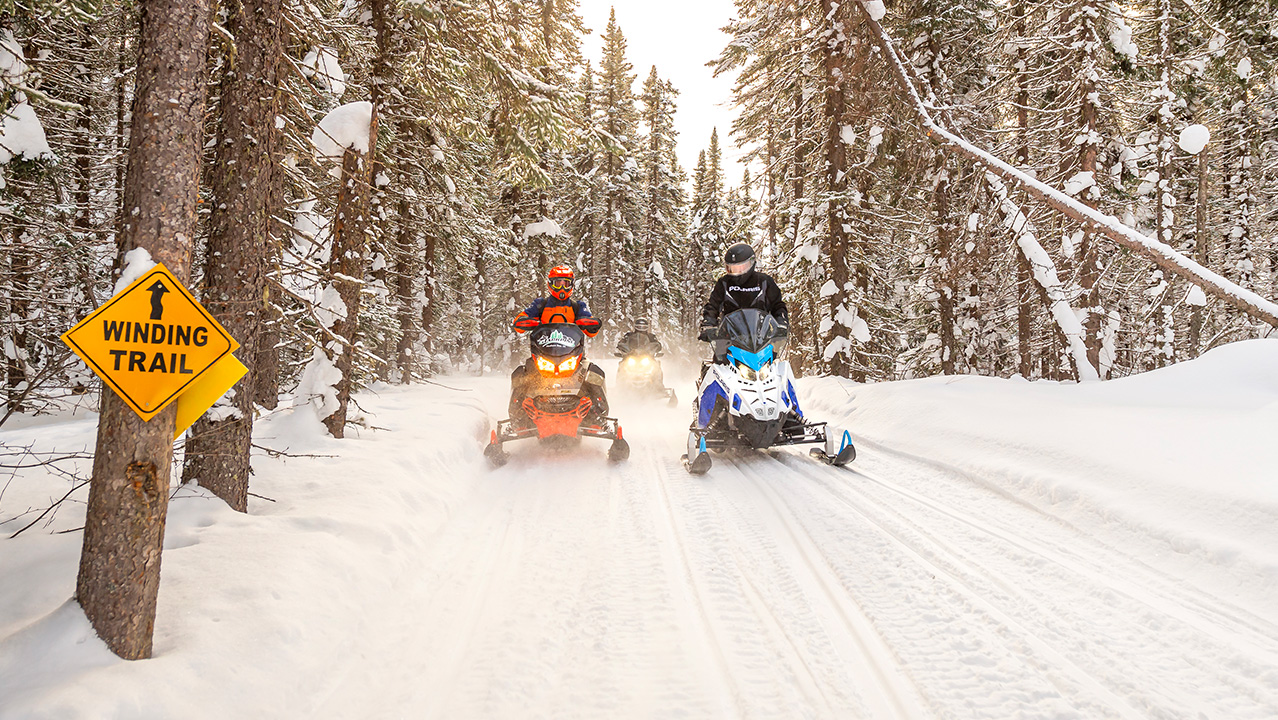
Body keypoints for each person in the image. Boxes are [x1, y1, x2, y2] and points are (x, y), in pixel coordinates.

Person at [509, 265, 607, 424]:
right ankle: (518, 416)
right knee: (521, 375)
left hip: (572, 355)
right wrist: (525, 321)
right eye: (557, 283)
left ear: (572, 285)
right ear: (550, 284)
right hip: (543, 354)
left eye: (566, 283)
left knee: (594, 374)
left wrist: (591, 323)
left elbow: (591, 329)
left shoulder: (577, 307)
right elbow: (520, 320)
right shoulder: (540, 305)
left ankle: (598, 414)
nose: (562, 287)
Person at [699, 243, 788, 361]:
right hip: (728, 340)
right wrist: (709, 324)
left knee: (775, 368)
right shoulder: (724, 283)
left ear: (751, 263)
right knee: (718, 366)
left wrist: (781, 323)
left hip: (761, 341)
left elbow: (778, 306)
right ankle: (707, 377)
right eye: (733, 269)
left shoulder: (764, 282)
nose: (738, 272)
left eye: (741, 267)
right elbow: (713, 306)